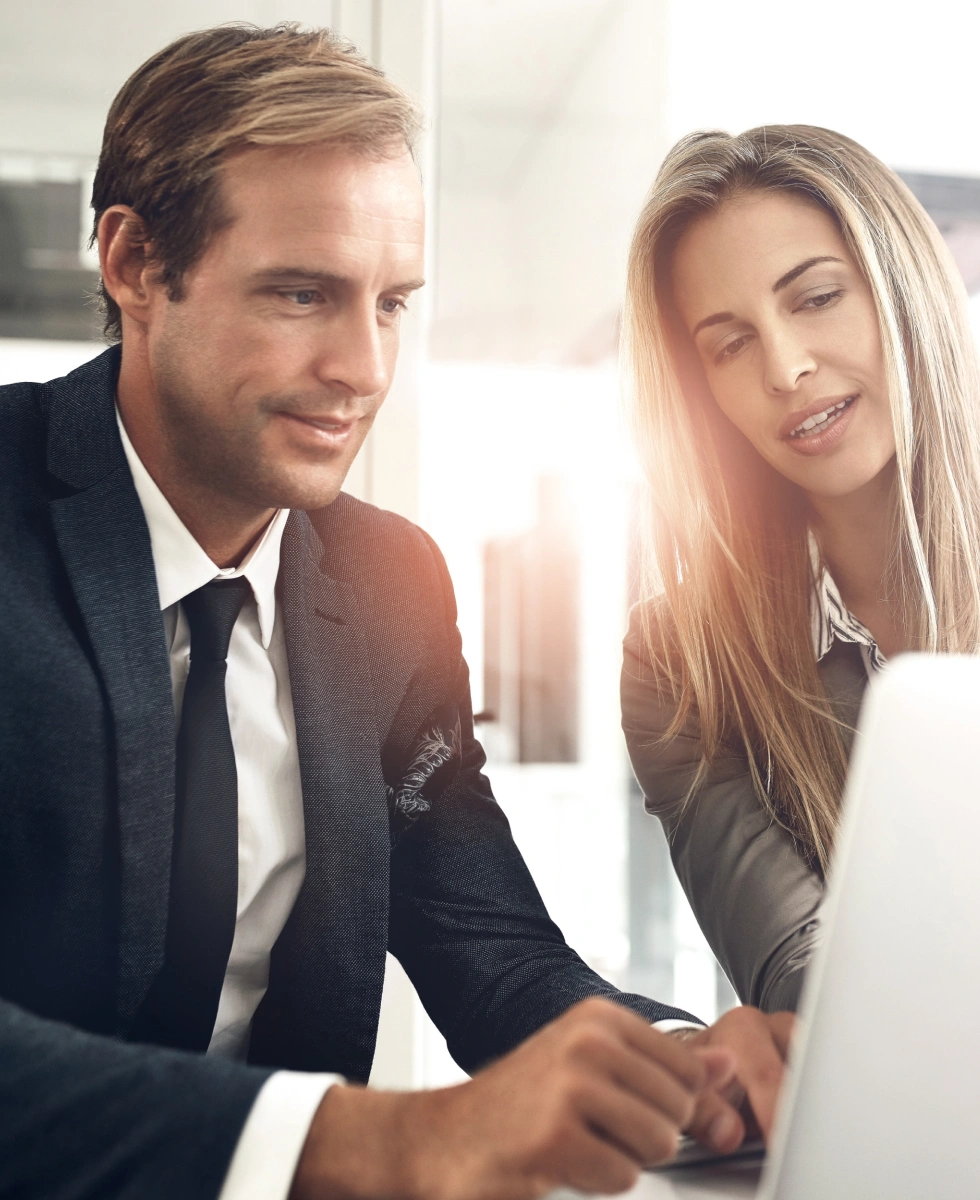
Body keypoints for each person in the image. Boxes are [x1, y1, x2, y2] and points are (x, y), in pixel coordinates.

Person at [0, 28, 794, 1200]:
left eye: (392, 304)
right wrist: (377, 1141)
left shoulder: (389, 583)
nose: (364, 367)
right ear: (133, 262)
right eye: (301, 294)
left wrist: (681, 1071)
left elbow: (485, 942)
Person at [619, 124, 980, 1017]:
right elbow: (808, 985)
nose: (787, 368)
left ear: (904, 288)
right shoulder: (682, 665)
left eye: (816, 298)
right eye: (730, 344)